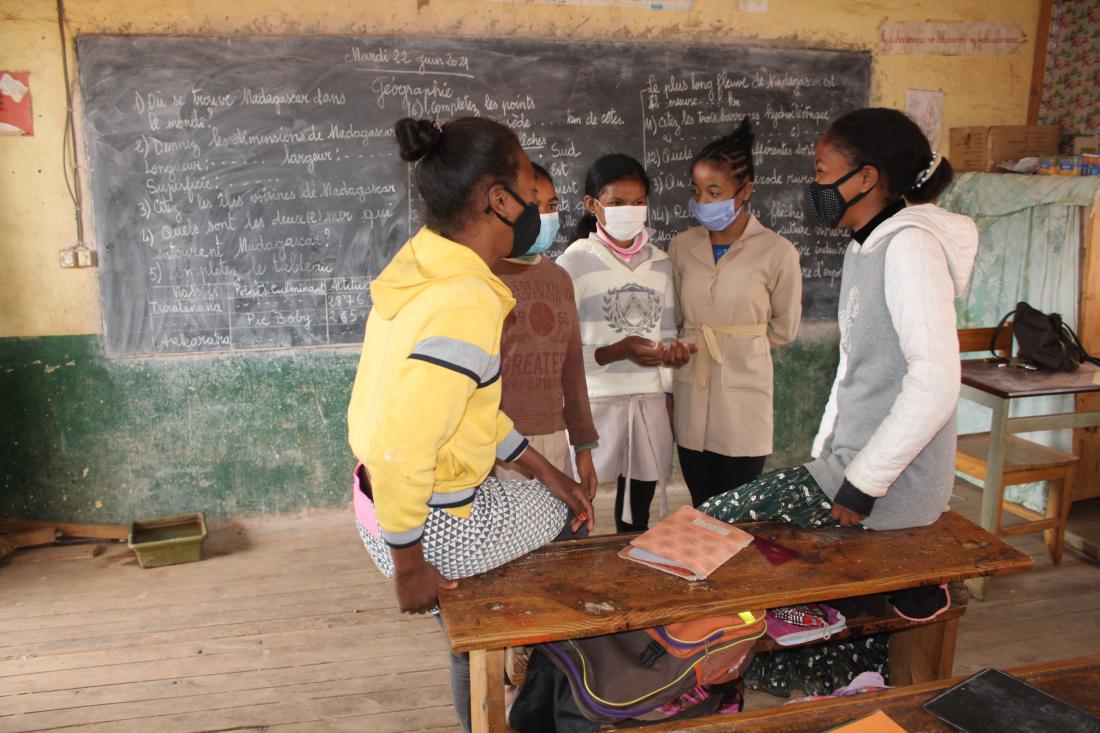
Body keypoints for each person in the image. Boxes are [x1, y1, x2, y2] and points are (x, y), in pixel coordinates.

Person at [697, 107, 977, 695]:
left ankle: (897, 598)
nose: (814, 185)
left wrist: (861, 484)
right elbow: (856, 374)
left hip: (887, 487)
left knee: (707, 531)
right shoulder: (867, 246)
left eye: (823, 171)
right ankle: (850, 682)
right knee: (772, 573)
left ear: (868, 178)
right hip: (849, 470)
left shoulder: (909, 249)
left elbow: (935, 380)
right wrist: (830, 460)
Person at [347, 116, 595, 732]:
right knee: (575, 527)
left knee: (548, 501)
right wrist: (411, 571)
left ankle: (497, 662)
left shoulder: (425, 263)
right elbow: (407, 446)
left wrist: (543, 468)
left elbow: (463, 414)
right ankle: (535, 704)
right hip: (429, 530)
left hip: (378, 506)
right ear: (498, 201)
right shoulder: (467, 301)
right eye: (530, 196)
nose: (539, 212)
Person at [556, 153, 694, 533]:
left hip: (648, 402)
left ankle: (632, 561)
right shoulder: (574, 263)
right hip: (593, 402)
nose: (629, 212)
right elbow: (562, 354)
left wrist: (668, 381)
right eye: (616, 203)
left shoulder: (661, 263)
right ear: (592, 205)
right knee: (578, 504)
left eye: (638, 202)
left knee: (637, 510)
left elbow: (666, 334)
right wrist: (615, 352)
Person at [669, 118, 802, 508]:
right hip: (693, 386)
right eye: (697, 191)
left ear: (745, 190)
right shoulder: (682, 246)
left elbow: (784, 328)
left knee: (737, 506)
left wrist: (740, 344)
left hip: (744, 393)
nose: (704, 202)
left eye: (715, 191)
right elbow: (676, 316)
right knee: (701, 503)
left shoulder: (777, 251)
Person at [492, 163, 600, 502]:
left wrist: (583, 446)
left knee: (554, 540)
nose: (544, 217)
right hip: (496, 449)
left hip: (554, 438)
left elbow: (572, 371)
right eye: (533, 206)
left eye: (551, 207)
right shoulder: (484, 277)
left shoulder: (559, 279)